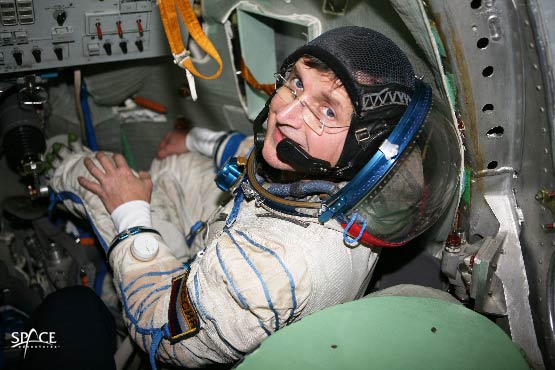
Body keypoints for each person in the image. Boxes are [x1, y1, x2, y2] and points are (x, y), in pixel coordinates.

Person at [48, 26, 461, 368]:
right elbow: (261, 159)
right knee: (176, 168)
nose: (285, 113)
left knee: (102, 179)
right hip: (231, 242)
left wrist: (130, 213)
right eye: (297, 82)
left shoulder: (270, 271)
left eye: (328, 110)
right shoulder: (361, 179)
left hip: (214, 289)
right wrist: (193, 138)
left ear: (368, 144)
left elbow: (161, 334)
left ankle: (50, 163)